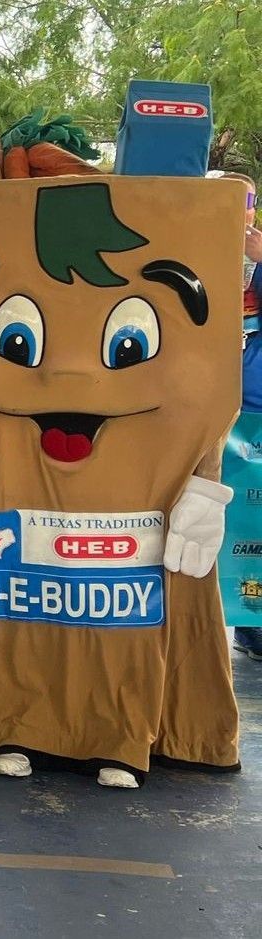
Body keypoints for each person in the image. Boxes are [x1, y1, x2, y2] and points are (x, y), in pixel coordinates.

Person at [220, 171, 262, 662]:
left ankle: (251, 627)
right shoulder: (195, 245)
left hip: (254, 407)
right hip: (213, 405)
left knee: (253, 526)